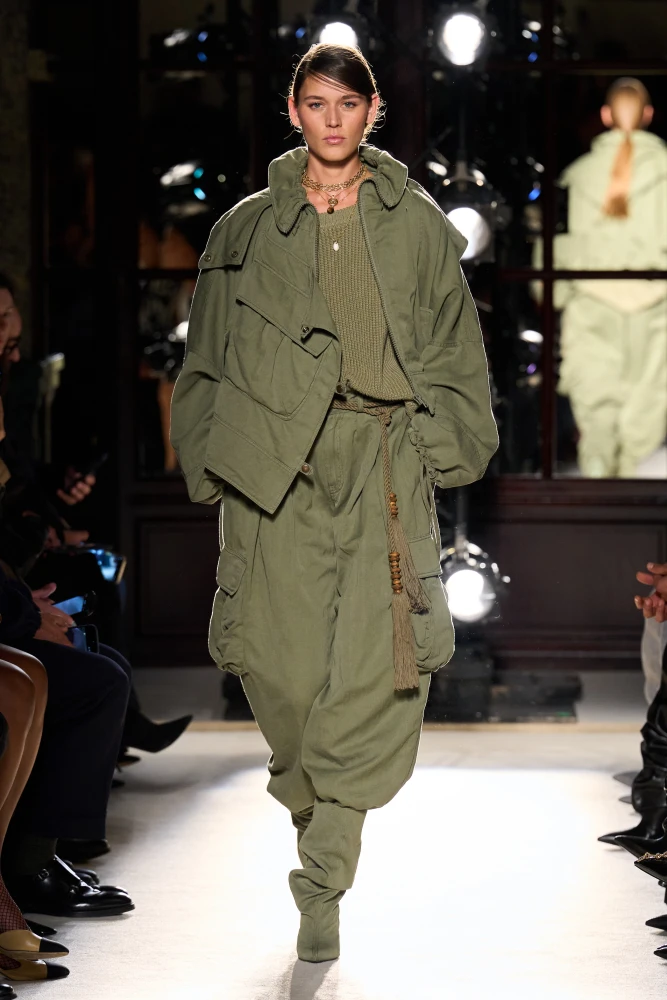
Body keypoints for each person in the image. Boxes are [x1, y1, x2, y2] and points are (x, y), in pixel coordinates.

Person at [171, 42, 497, 963]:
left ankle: (321, 884)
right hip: (274, 467)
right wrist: (213, 462)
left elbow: (456, 350)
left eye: (346, 104)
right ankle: (319, 828)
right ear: (294, 111)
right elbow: (207, 358)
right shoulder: (244, 230)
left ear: (371, 110)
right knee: (276, 672)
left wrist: (433, 447)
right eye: (315, 103)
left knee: (371, 672)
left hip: (381, 462)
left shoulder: (418, 225)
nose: (331, 119)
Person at [549, 78, 667, 477]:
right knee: (648, 398)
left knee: (596, 398)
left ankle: (598, 483)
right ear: (648, 115)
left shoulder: (578, 175)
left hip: (591, 301)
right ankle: (629, 489)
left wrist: (555, 294)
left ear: (605, 116)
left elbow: (559, 243)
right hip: (655, 301)